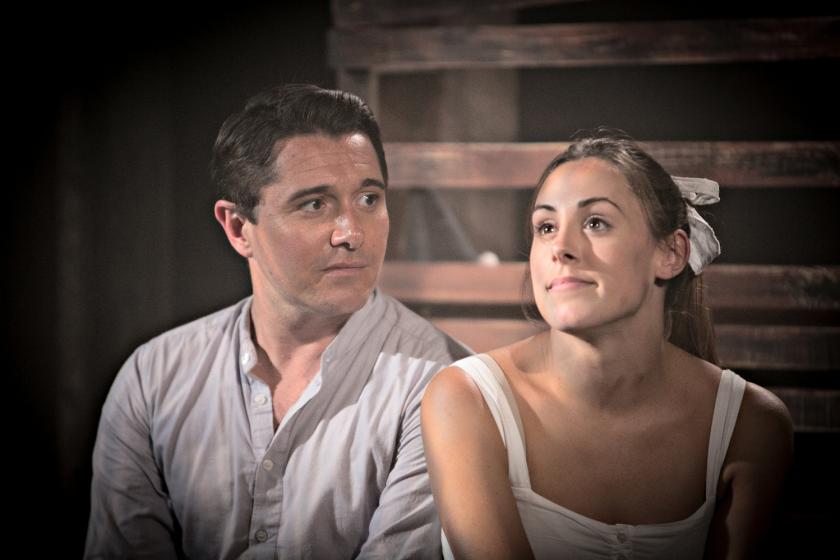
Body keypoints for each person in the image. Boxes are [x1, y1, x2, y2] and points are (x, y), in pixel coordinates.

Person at [84, 84, 470, 560]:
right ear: (238, 228)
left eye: (369, 199)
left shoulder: (444, 384)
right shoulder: (153, 378)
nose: (352, 233)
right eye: (315, 204)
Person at [421, 133, 793, 559]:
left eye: (596, 222)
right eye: (546, 227)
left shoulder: (750, 426)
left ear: (671, 253)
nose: (561, 248)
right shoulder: (468, 400)